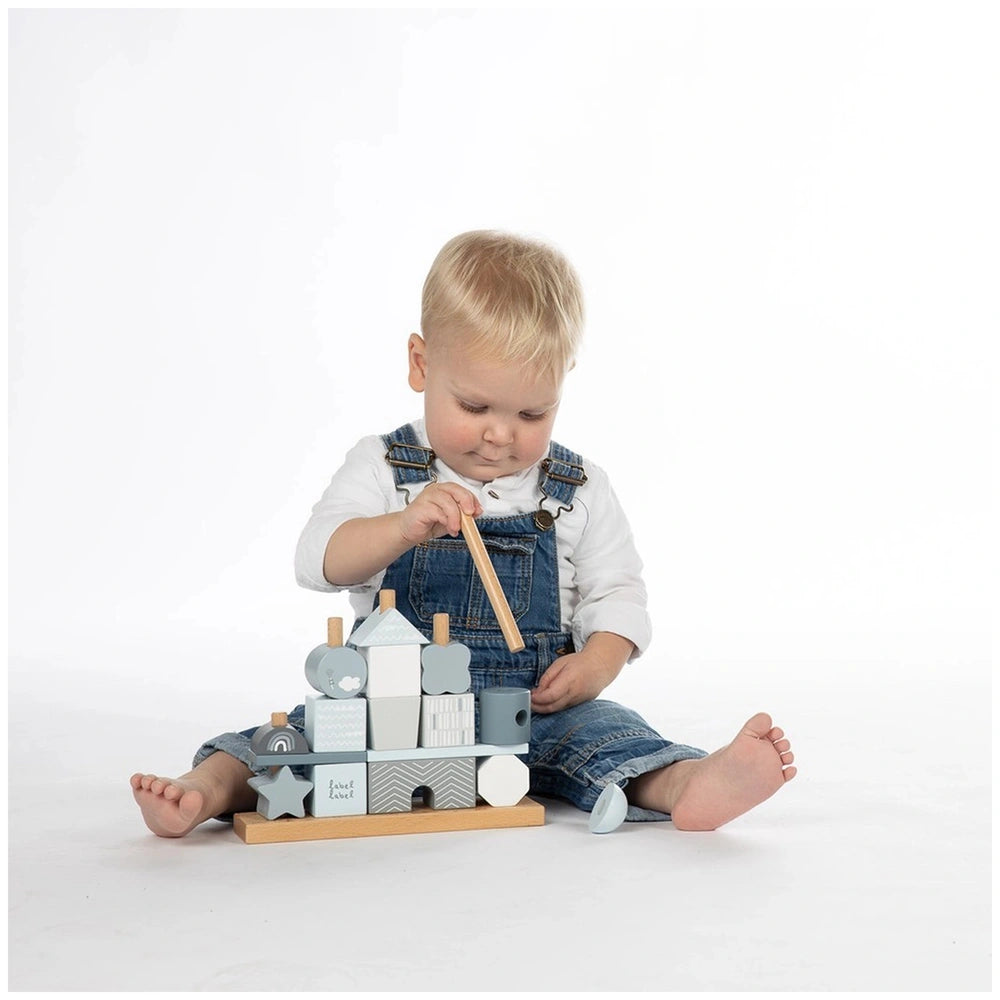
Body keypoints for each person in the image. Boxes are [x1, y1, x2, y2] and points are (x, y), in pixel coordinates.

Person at [131, 230, 796, 838]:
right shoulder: (388, 468)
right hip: (394, 713)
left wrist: (596, 665)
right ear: (421, 365)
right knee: (298, 740)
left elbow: (618, 592)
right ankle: (207, 790)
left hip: (533, 712)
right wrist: (400, 527)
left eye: (532, 412)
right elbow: (318, 560)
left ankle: (689, 783)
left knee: (612, 735)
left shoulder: (576, 486)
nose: (500, 434)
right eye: (474, 406)